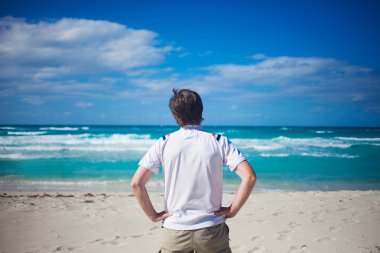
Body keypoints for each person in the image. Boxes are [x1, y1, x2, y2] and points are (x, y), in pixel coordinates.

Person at [131, 88, 256, 253]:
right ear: (201, 110)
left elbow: (136, 184)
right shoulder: (219, 141)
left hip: (175, 231)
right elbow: (249, 177)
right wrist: (233, 210)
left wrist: (153, 216)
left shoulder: (164, 142)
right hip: (211, 230)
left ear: (175, 114)